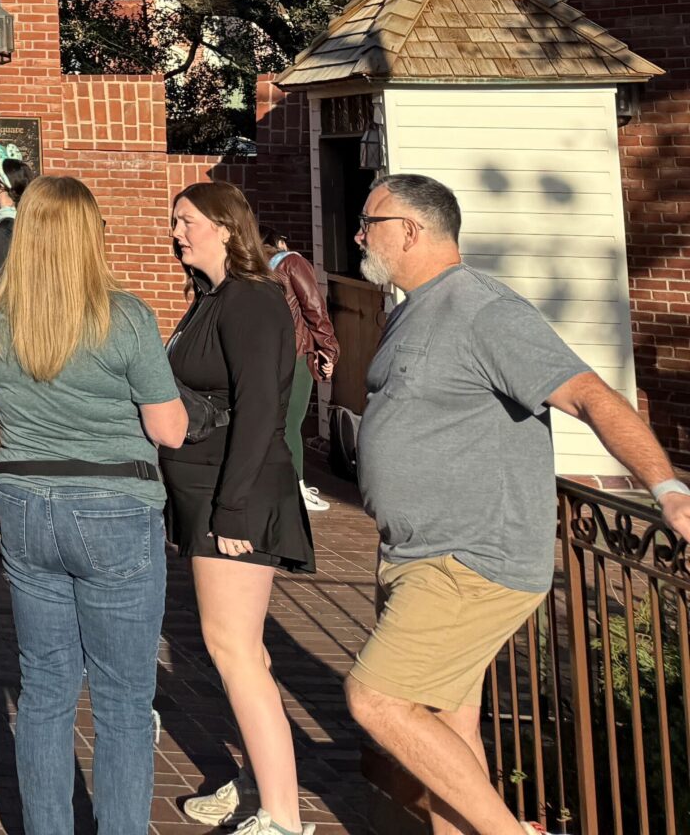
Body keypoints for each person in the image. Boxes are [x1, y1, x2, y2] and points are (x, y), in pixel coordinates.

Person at [343, 173, 690, 835]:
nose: (360, 234)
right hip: (418, 554)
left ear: (411, 230)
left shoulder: (483, 310)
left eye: (369, 222)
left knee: (377, 698)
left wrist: (666, 489)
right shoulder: (413, 306)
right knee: (446, 726)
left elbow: (590, 394)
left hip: (472, 558)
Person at [0, 174, 186, 835]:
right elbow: (169, 429)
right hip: (115, 501)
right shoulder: (126, 315)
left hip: (27, 496)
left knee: (46, 690)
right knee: (122, 698)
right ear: (92, 236)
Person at [163, 183, 314, 835]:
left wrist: (231, 511)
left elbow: (261, 414)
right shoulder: (212, 299)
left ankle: (281, 817)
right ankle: (256, 781)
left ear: (226, 227)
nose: (177, 233)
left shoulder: (252, 301)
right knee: (239, 652)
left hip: (240, 500)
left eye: (186, 221)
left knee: (235, 652)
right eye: (174, 222)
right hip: (206, 494)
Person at [263, 228, 338, 515]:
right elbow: (315, 309)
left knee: (271, 421)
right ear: (279, 242)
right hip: (294, 354)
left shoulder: (249, 266)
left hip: (264, 354)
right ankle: (296, 488)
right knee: (292, 422)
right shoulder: (291, 261)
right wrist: (329, 350)